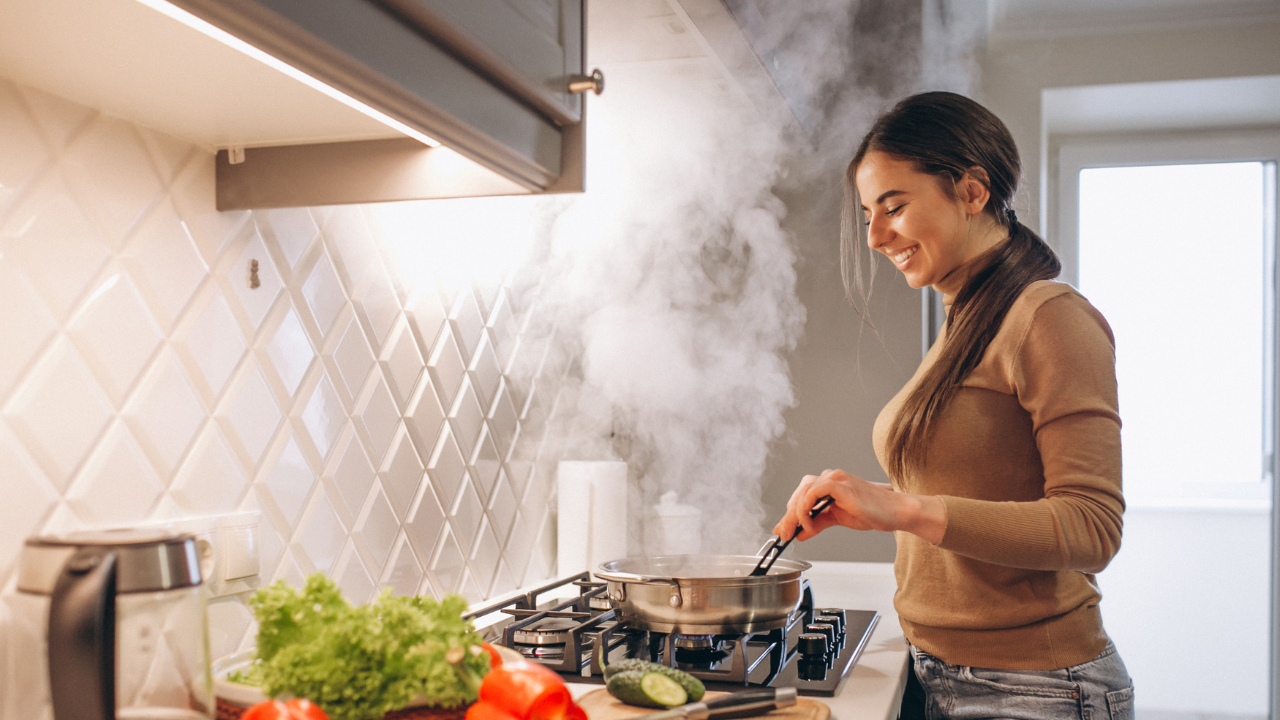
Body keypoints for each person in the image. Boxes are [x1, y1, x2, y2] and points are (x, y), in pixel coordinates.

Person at [772, 92, 1134, 719]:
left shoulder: (1048, 318)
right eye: (867, 215)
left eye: (894, 207)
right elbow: (980, 485)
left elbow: (1091, 526)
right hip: (937, 671)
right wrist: (870, 501)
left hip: (1037, 690)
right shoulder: (964, 321)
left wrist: (904, 509)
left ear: (971, 191)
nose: (876, 236)